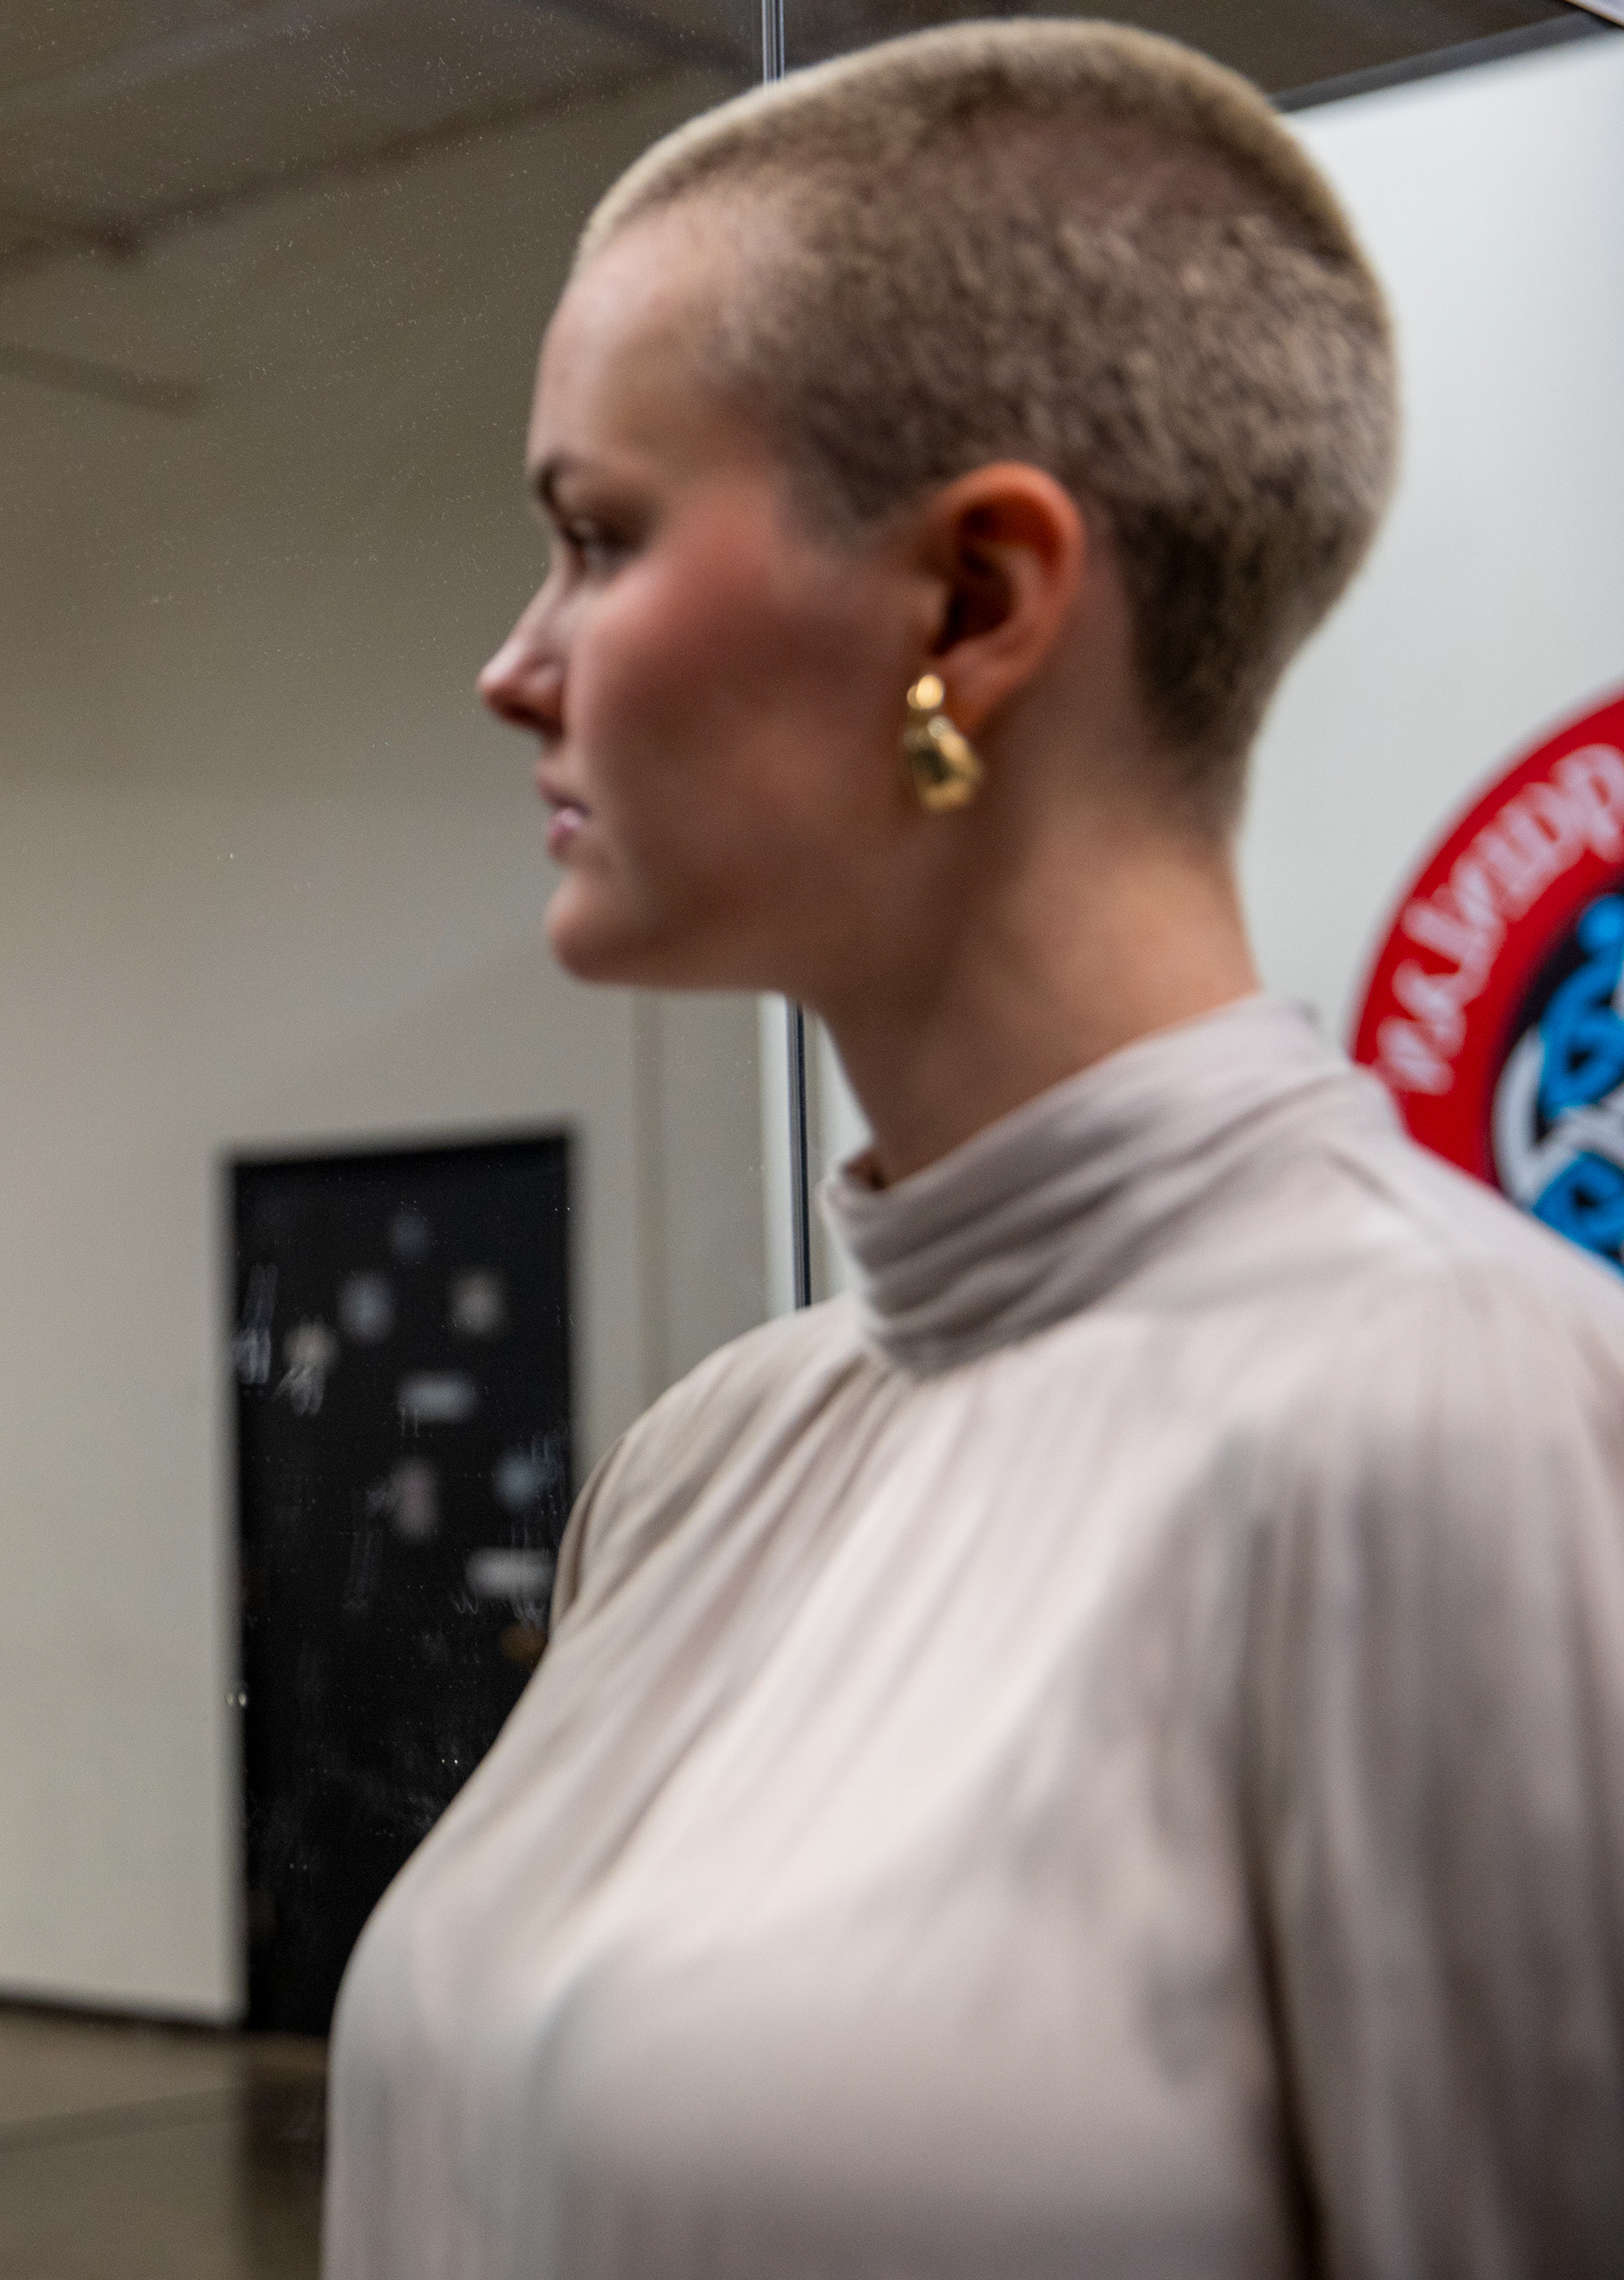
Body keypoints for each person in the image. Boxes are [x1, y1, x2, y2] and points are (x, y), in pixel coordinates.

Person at [327, 22, 1624, 2277]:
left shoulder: (1470, 1433)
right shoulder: (709, 1450)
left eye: (596, 535)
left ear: (974, 604)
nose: (513, 666)